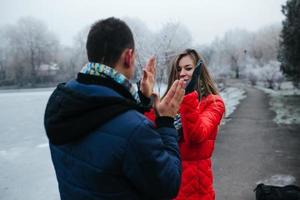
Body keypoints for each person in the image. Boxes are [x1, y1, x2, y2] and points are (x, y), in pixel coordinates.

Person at [44, 17, 186, 200]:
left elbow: (109, 127)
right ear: (128, 56)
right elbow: (168, 185)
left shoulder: (61, 105)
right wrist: (166, 122)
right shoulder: (135, 129)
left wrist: (141, 101)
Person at [145, 49, 225, 200]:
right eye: (178, 69)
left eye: (188, 68)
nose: (182, 73)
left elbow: (197, 135)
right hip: (170, 182)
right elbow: (151, 133)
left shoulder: (214, 102)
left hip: (196, 189)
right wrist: (146, 101)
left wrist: (188, 97)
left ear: (199, 71)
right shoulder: (169, 101)